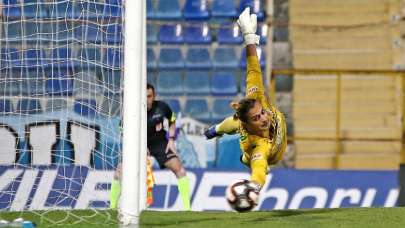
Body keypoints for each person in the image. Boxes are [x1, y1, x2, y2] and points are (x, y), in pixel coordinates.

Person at [204, 7, 287, 199]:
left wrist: (249, 36)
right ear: (248, 124)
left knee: (229, 123)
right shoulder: (258, 146)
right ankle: (219, 131)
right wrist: (255, 186)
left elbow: (253, 69)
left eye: (262, 113)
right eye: (257, 118)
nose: (264, 118)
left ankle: (215, 129)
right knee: (244, 148)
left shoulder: (256, 98)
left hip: (254, 127)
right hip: (267, 153)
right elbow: (258, 167)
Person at [110, 84, 191, 211]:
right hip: (137, 143)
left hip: (159, 142)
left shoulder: (162, 107)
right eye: (144, 96)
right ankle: (112, 206)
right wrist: (139, 145)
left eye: (149, 96)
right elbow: (123, 131)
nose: (146, 99)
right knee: (119, 171)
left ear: (154, 97)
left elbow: (172, 119)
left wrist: (171, 139)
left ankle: (188, 210)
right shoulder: (131, 110)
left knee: (180, 170)